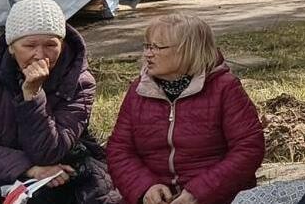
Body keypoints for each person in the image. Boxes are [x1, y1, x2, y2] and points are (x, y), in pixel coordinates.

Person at [107, 14, 264, 204]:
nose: (148, 54)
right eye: (147, 46)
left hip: (218, 197)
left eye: (157, 47)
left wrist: (198, 193)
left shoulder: (225, 88)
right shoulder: (138, 90)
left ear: (188, 50)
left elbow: (248, 149)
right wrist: (145, 188)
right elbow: (119, 149)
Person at [0, 0, 118, 204]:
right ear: (11, 47)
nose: (40, 55)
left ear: (62, 44)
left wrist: (33, 95)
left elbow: (49, 152)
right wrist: (29, 168)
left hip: (64, 169)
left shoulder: (79, 82)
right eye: (29, 45)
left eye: (51, 45)